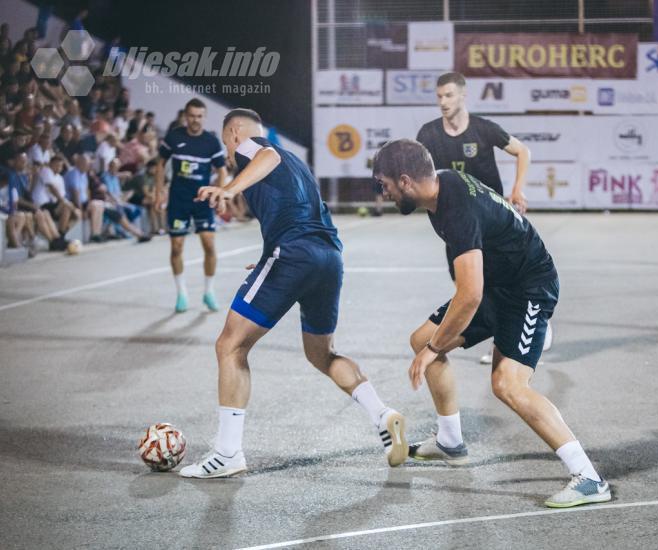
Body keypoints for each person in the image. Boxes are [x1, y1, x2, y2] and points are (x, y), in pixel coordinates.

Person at [372, 139, 610, 508]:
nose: (382, 193)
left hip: (528, 288)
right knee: (422, 338)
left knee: (507, 385)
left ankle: (590, 479)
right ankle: (450, 442)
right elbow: (471, 288)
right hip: (497, 285)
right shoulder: (444, 184)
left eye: (383, 184)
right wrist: (433, 343)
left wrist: (437, 348)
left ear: (405, 181)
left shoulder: (456, 210)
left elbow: (469, 294)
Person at [179, 108, 408, 478]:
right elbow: (294, 211)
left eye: (225, 144)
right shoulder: (296, 163)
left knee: (230, 346)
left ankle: (227, 453)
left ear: (235, 133)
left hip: (294, 254)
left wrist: (228, 188)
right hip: (328, 257)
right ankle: (382, 414)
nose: (228, 153)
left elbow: (264, 157)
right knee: (322, 354)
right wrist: (267, 257)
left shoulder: (254, 148)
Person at [416, 71, 553, 362]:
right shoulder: (428, 134)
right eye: (439, 96)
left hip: (492, 222)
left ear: (463, 96)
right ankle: (500, 333)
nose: (443, 101)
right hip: (458, 223)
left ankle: (528, 326)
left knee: (503, 275)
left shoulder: (483, 129)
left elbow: (522, 151)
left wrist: (518, 189)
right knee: (467, 284)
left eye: (449, 95)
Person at [155, 98, 227, 313]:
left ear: (204, 117)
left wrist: (219, 195)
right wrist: (159, 191)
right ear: (186, 116)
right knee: (176, 247)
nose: (195, 120)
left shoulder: (211, 142)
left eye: (199, 116)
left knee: (209, 245)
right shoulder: (174, 137)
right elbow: (160, 164)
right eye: (192, 116)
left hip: (202, 202)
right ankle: (182, 293)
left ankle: (209, 292)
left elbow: (222, 170)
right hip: (178, 200)